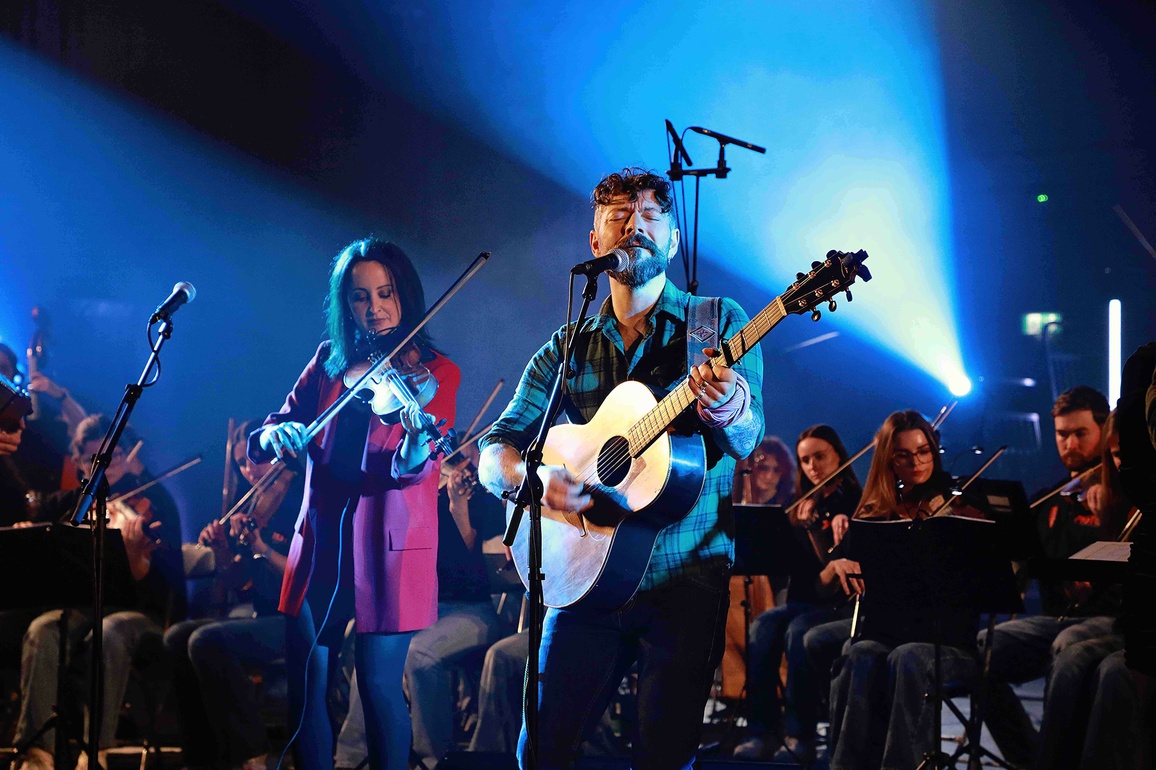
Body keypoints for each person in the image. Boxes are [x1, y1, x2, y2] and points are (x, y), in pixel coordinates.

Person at [478, 167, 764, 769]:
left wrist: (728, 403)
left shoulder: (715, 324)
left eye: (651, 217)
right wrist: (533, 482)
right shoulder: (566, 346)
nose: (635, 227)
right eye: (618, 216)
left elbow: (746, 438)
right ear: (595, 242)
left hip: (686, 575)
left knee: (664, 753)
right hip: (583, 578)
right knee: (544, 748)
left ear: (674, 240)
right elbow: (494, 447)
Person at [248, 238, 459, 770]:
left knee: (379, 688)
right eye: (361, 297)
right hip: (319, 542)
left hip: (387, 549)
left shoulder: (437, 373)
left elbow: (416, 467)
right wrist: (276, 436)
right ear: (346, 304)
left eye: (386, 294)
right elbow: (272, 426)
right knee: (307, 685)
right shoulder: (327, 362)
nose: (376, 308)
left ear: (405, 295)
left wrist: (414, 443)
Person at [12, 414, 186, 770]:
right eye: (93, 461)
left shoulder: (150, 497)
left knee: (109, 633)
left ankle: (97, 753)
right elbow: (40, 510)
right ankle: (36, 752)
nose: (106, 468)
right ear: (79, 463)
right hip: (86, 605)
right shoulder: (80, 500)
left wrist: (138, 550)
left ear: (126, 455)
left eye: (112, 457)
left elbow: (168, 571)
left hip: (142, 611)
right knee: (43, 630)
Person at [825, 410, 985, 770]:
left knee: (908, 657)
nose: (917, 462)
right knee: (859, 652)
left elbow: (987, 584)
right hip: (888, 633)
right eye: (904, 454)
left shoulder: (958, 508)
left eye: (924, 451)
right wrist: (841, 565)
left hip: (949, 644)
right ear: (888, 459)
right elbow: (840, 587)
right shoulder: (877, 513)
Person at [332, 440, 506, 770]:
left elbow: (477, 561)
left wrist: (458, 506)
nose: (456, 467)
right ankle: (353, 758)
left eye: (462, 457)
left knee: (419, 655)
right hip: (427, 608)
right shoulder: (422, 495)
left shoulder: (482, 499)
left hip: (474, 610)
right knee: (374, 649)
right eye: (448, 459)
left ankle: (433, 760)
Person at [981, 385, 1120, 769]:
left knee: (1068, 643)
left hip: (1110, 622)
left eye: (1080, 433)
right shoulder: (1048, 499)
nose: (1070, 444)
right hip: (1057, 622)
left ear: (1105, 433)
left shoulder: (1123, 494)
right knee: (980, 651)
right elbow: (1020, 564)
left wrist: (1111, 507)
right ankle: (1030, 756)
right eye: (1062, 434)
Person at [163, 419, 303, 770]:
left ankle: (253, 753)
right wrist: (224, 551)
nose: (248, 469)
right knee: (177, 637)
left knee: (207, 641)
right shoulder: (255, 505)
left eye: (255, 458)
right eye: (241, 462)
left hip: (301, 620)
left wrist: (260, 547)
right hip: (263, 614)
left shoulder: (302, 500)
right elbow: (242, 584)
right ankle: (203, 757)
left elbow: (306, 575)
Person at [734, 425, 862, 763]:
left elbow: (832, 579)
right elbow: (799, 571)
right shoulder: (798, 503)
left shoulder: (856, 502)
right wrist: (795, 528)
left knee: (797, 631)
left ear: (838, 455)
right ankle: (760, 729)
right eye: (805, 460)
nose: (812, 467)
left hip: (839, 605)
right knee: (762, 626)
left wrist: (821, 535)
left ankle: (800, 733)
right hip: (804, 599)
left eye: (820, 457)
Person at [718, 437, 792, 704]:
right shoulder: (735, 502)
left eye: (776, 470)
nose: (769, 476)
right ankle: (736, 687)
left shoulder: (788, 504)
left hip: (781, 581)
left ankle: (772, 688)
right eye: (763, 468)